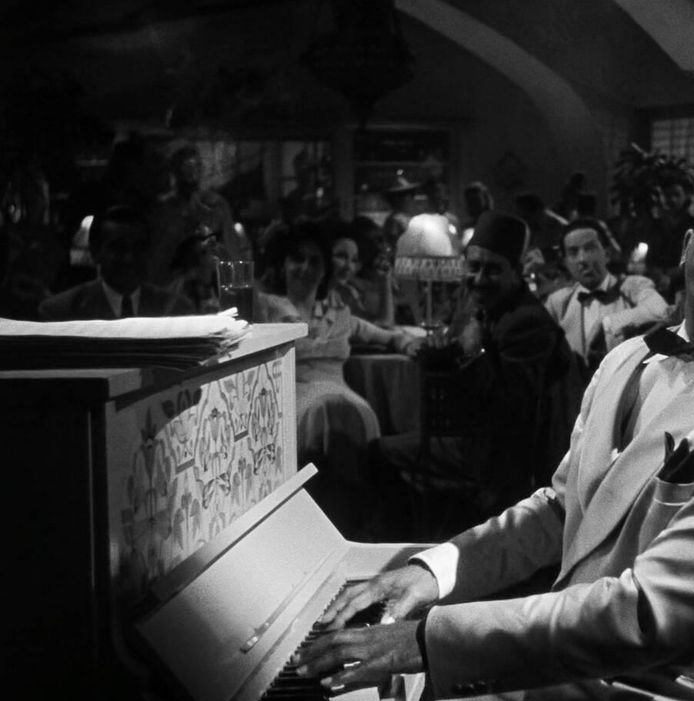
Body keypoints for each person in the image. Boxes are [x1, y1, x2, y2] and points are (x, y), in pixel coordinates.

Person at [294, 167, 694, 701]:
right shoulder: (626, 359)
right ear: (691, 246)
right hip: (569, 680)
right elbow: (560, 507)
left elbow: (645, 615)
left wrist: (426, 643)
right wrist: (434, 571)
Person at [373, 210, 578, 533]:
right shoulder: (493, 308)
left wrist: (471, 351)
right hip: (479, 441)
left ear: (516, 272)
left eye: (493, 270)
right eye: (474, 267)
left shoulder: (525, 322)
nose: (480, 279)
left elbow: (510, 412)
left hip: (502, 459)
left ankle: (395, 539)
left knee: (378, 453)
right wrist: (433, 351)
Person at [256, 220, 419, 535]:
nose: (305, 267)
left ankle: (354, 525)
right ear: (283, 264)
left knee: (345, 410)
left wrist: (408, 342)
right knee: (326, 409)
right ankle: (320, 527)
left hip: (343, 393)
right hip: (295, 396)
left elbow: (385, 335)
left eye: (314, 260)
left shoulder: (338, 312)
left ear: (325, 269)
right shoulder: (267, 307)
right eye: (297, 258)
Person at [545, 217, 672, 375]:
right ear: (565, 262)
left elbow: (662, 311)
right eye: (573, 252)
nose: (582, 259)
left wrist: (609, 324)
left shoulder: (632, 286)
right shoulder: (558, 301)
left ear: (607, 253)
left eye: (590, 248)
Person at [39, 205, 194, 320]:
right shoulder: (62, 313)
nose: (129, 258)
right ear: (95, 252)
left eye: (138, 248)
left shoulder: (176, 310)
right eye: (118, 248)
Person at [146, 144, 249, 287]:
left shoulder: (215, 205)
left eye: (196, 167)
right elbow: (156, 261)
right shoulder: (164, 209)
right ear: (175, 171)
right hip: (170, 289)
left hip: (211, 289)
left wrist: (241, 287)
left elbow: (233, 253)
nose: (192, 173)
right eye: (186, 167)